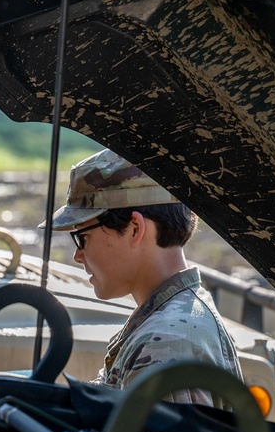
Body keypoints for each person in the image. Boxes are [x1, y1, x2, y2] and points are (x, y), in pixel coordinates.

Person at [42, 148, 242, 406]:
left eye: (83, 238)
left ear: (134, 229)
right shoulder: (170, 320)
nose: (78, 256)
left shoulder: (168, 344)